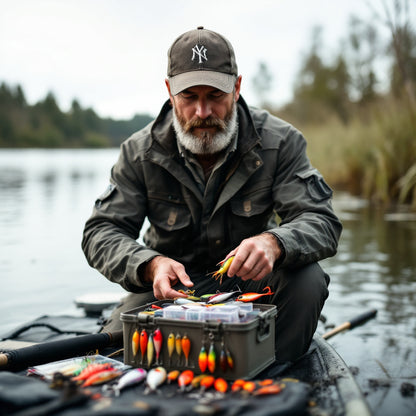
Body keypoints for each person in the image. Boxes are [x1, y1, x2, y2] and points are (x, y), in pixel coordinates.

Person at [82, 26, 342, 364]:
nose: (202, 113)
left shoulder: (282, 141)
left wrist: (274, 243)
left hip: (251, 287)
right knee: (118, 351)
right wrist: (149, 265)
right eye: (189, 97)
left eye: (215, 96)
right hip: (167, 291)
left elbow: (321, 220)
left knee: (307, 280)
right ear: (169, 92)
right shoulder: (138, 151)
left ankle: (276, 375)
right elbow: (100, 232)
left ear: (236, 88)